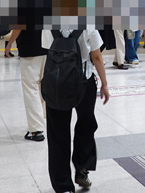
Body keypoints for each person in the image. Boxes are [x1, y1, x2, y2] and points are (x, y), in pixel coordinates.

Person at [42, 30, 110, 193]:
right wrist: (105, 84)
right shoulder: (88, 22)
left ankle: (63, 186)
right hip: (83, 82)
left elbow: (48, 51)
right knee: (86, 125)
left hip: (57, 83)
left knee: (58, 134)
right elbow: (97, 56)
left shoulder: (49, 23)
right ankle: (82, 169)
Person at [9, 28, 48, 142]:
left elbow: (20, 25)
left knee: (31, 89)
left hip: (30, 48)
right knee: (43, 86)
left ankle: (36, 129)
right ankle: (43, 119)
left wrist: (10, 43)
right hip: (47, 47)